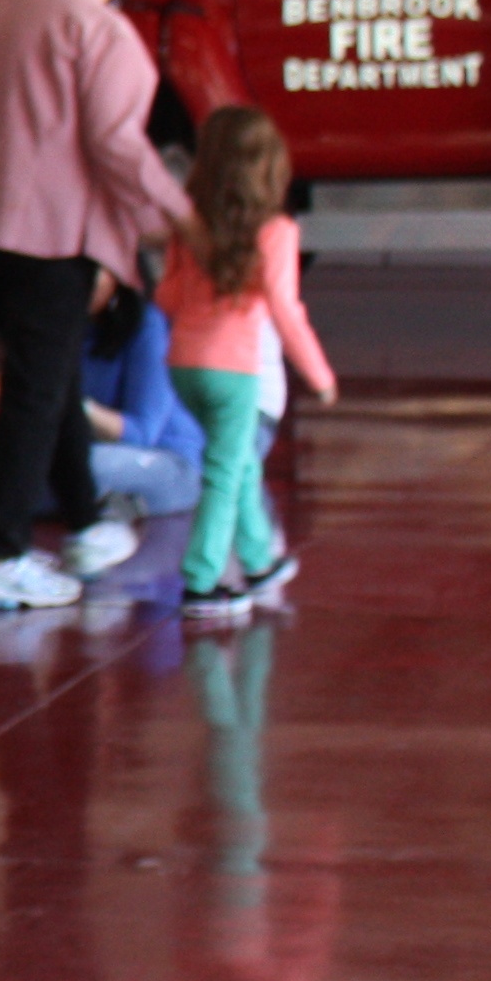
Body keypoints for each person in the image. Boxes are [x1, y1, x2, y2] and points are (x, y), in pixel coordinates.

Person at [0, 0, 194, 610]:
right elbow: (115, 144)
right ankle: (4, 555)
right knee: (38, 391)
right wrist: (177, 213)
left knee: (49, 377)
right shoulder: (97, 29)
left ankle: (85, 519)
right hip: (50, 237)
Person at [161, 104, 337, 615]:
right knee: (224, 468)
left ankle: (260, 558)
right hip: (235, 369)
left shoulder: (187, 226)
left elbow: (168, 297)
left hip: (184, 363)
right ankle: (202, 578)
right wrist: (320, 377)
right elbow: (286, 311)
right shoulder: (275, 232)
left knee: (235, 463)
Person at [77, 292, 209, 524]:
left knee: (73, 467)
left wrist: (71, 404)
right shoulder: (69, 326)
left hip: (171, 463)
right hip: (104, 453)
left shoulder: (148, 324)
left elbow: (141, 433)